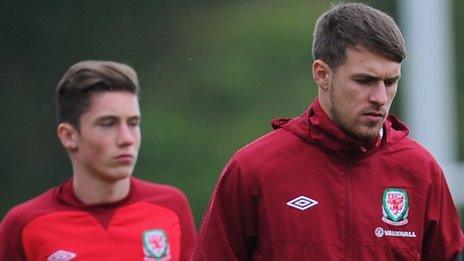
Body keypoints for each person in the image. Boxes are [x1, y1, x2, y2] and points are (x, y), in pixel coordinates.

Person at [192, 3, 463, 260]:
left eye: (390, 82)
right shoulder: (255, 169)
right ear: (322, 74)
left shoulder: (420, 171)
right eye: (364, 81)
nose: (380, 97)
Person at [0, 60, 196, 260]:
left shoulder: (171, 207)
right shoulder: (25, 225)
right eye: (108, 124)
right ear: (69, 135)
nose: (126, 138)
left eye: (133, 123)